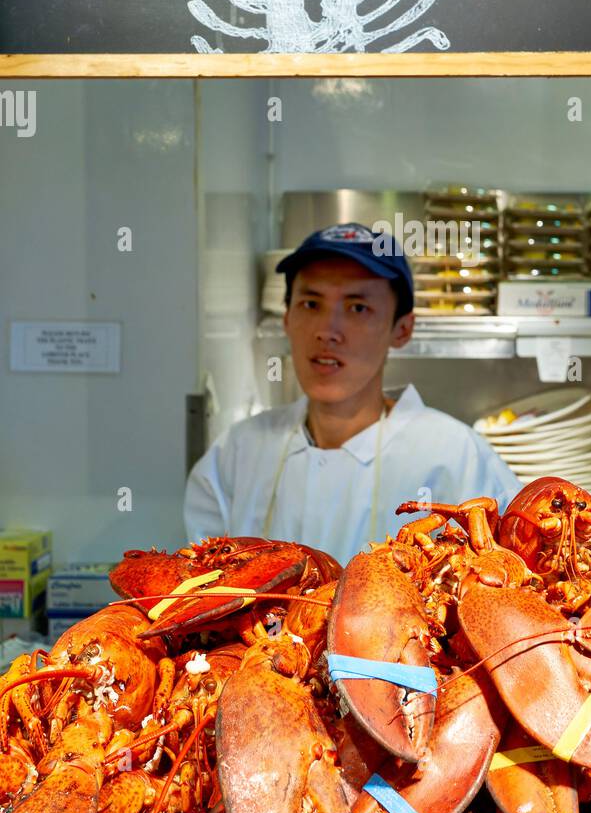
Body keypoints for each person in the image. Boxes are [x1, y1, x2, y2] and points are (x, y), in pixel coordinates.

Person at [184, 222, 520, 564]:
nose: (328, 331)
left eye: (358, 308)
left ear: (402, 329)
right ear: (287, 318)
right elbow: (197, 591)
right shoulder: (238, 453)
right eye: (311, 304)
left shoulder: (457, 457)